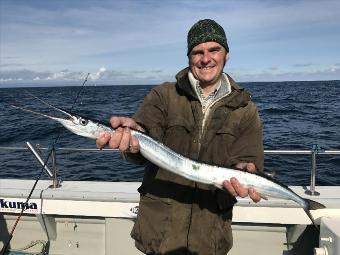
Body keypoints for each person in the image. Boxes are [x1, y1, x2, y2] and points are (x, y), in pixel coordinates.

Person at [96, 19, 264, 255]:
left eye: (214, 49)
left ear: (226, 54)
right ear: (189, 57)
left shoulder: (245, 109)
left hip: (210, 235)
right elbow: (142, 144)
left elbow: (249, 159)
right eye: (197, 52)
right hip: (159, 231)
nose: (206, 58)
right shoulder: (163, 95)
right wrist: (132, 142)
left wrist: (245, 171)